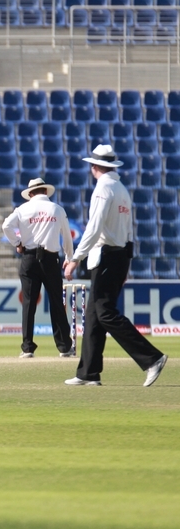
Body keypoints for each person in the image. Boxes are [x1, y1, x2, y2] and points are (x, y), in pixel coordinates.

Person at [63, 145, 168, 386]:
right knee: (93, 315)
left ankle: (152, 358)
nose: (91, 168)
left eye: (92, 164)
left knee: (104, 312)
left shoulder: (104, 188)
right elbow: (129, 230)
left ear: (97, 166)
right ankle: (88, 373)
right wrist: (127, 261)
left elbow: (94, 226)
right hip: (119, 255)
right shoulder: (121, 189)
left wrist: (75, 259)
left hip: (106, 256)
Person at [1, 177, 75, 358]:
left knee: (29, 303)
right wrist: (69, 257)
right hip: (50, 259)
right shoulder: (57, 209)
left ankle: (27, 348)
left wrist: (17, 243)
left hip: (29, 258)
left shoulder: (23, 209)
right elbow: (67, 236)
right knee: (57, 303)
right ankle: (64, 347)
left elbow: (6, 226)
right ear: (44, 191)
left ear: (31, 193)